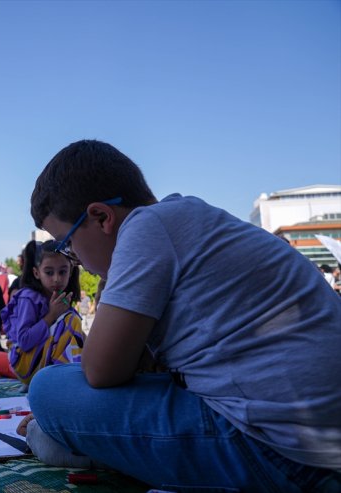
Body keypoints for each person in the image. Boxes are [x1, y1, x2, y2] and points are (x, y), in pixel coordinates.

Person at [21, 139, 341, 491]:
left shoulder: (144, 230)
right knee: (60, 409)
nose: (74, 260)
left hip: (277, 449)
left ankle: (88, 446)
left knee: (48, 389)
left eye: (67, 244)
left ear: (101, 217)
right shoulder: (188, 217)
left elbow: (100, 371)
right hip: (312, 439)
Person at [0, 240, 83, 385]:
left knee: (73, 320)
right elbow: (24, 341)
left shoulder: (62, 296)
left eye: (63, 272)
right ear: (36, 273)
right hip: (25, 363)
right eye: (49, 272)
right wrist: (51, 316)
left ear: (71, 271)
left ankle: (72, 373)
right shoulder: (29, 297)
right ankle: (68, 378)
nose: (56, 279)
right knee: (71, 320)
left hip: (42, 363)